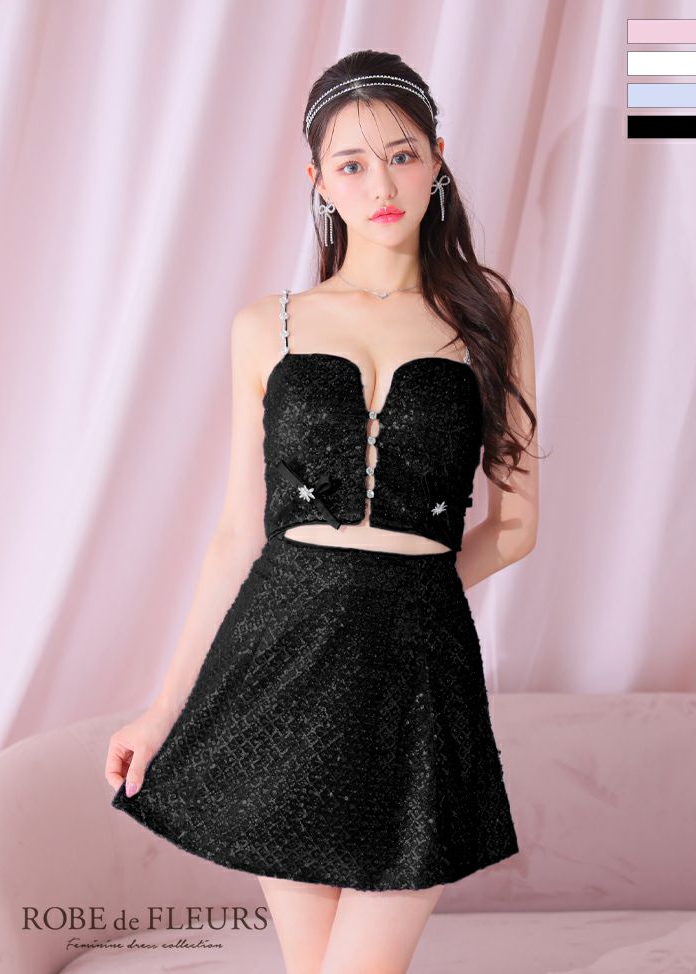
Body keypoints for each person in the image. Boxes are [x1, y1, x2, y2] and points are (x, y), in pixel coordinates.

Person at [106, 49, 539, 974]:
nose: (380, 184)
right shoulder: (267, 325)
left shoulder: (491, 316)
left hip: (417, 674)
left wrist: (400, 598)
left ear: (437, 160)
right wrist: (159, 710)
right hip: (283, 660)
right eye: (351, 164)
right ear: (318, 182)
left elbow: (517, 525)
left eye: (402, 154)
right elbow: (239, 532)